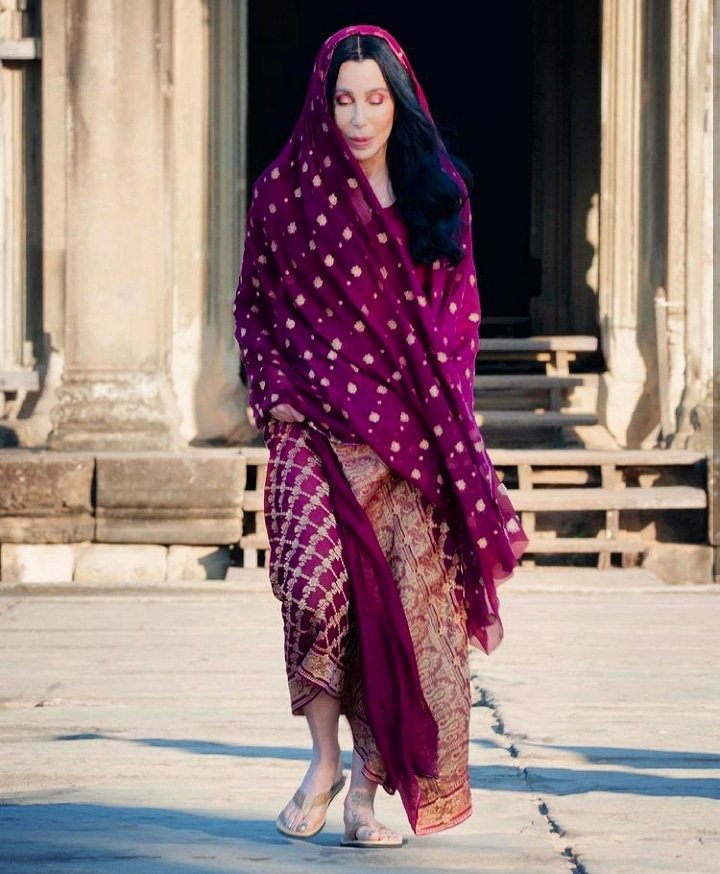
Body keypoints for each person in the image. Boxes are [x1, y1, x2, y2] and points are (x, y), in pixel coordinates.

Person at [233, 23, 527, 848]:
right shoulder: (283, 196)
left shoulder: (441, 197)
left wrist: (440, 432)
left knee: (390, 622)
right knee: (314, 590)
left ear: (399, 104)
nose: (359, 118)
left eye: (375, 99)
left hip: (407, 442)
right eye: (344, 100)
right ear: (321, 105)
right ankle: (322, 761)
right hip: (309, 430)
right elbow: (251, 308)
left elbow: (456, 331)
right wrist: (272, 391)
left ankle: (363, 797)